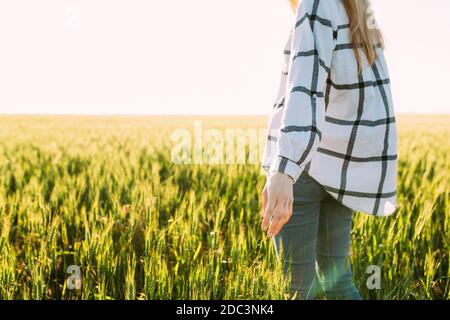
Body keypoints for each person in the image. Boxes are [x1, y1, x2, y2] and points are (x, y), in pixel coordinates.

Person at [260, 0, 398, 300]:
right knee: (339, 284)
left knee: (296, 292)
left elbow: (304, 90)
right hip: (342, 173)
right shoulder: (357, 10)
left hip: (304, 171)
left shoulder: (317, 4)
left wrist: (284, 169)